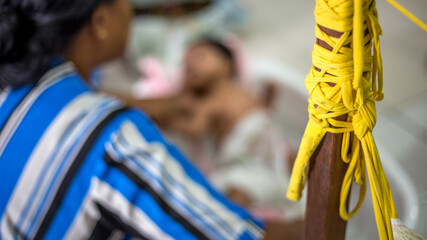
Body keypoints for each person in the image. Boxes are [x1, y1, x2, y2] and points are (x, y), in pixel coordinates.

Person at [0, 0, 265, 239]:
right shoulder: (113, 137)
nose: (132, 12)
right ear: (100, 22)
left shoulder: (14, 88)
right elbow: (231, 234)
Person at [168, 39, 303, 223]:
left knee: (300, 159)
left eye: (199, 58)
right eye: (186, 67)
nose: (191, 67)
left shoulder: (245, 89)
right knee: (237, 191)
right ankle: (237, 226)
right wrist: (178, 113)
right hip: (241, 162)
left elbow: (261, 114)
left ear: (227, 63)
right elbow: (195, 130)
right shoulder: (207, 104)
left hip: (270, 152)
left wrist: (269, 99)